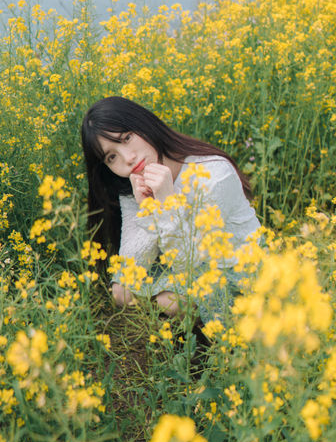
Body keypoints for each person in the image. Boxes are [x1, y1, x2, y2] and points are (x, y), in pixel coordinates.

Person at [80, 96, 261, 319]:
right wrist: (147, 208)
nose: (127, 159)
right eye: (112, 156)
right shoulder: (135, 182)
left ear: (143, 124)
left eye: (127, 138)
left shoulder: (213, 175)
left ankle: (203, 331)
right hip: (186, 261)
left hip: (235, 269)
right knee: (122, 291)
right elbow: (129, 270)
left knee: (170, 301)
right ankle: (180, 326)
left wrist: (166, 203)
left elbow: (190, 263)